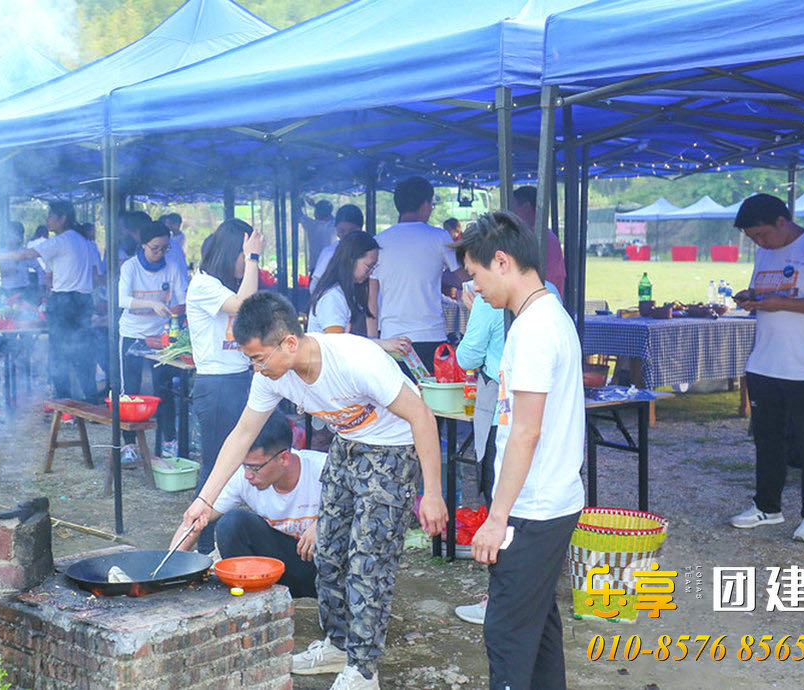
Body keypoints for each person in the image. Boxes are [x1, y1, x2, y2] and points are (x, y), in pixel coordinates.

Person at [178, 291, 445, 690]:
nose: (257, 368)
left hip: (392, 449)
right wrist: (203, 501)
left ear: (289, 342)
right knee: (331, 551)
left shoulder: (357, 360)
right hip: (347, 444)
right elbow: (242, 435)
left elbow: (422, 415)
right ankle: (338, 644)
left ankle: (365, 669)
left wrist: (435, 492)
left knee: (368, 559)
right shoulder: (272, 376)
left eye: (259, 358)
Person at [451, 211, 584, 689]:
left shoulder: (533, 330)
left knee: (507, 633)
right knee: (537, 626)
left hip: (533, 508)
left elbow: (526, 432)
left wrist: (496, 517)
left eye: (475, 275)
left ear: (502, 262)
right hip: (550, 500)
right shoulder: (546, 315)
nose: (474, 288)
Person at [728, 193, 804, 543]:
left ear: (782, 220)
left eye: (762, 234)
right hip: (765, 360)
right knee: (767, 439)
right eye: (752, 239)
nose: (759, 243)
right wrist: (752, 297)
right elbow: (768, 293)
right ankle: (767, 507)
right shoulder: (765, 251)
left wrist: (783, 304)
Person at [170, 414, 322, 598]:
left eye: (255, 468)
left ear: (284, 458)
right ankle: (257, 598)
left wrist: (324, 523)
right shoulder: (244, 476)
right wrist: (169, 566)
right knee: (232, 523)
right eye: (245, 466)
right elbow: (197, 520)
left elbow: (362, 511)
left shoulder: (322, 468)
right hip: (282, 564)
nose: (248, 475)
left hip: (322, 569)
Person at [185, 219, 266, 554]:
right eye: (241, 256)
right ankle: (204, 547)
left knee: (235, 463)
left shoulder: (224, 287)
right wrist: (254, 259)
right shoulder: (203, 285)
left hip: (237, 381)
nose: (244, 263)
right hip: (216, 386)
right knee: (216, 467)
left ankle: (218, 540)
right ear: (232, 253)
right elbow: (246, 306)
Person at [0, 201, 100, 401]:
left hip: (66, 302)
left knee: (59, 355)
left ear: (63, 218)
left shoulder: (61, 241)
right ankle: (91, 399)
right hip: (83, 301)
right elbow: (51, 277)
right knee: (82, 352)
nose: (47, 219)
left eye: (51, 215)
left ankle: (64, 404)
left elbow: (25, 254)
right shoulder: (83, 241)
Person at [368, 177, 460, 372]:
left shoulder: (379, 242)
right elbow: (463, 277)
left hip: (392, 337)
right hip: (431, 335)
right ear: (426, 204)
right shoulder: (440, 237)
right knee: (432, 397)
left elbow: (372, 299)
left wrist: (373, 340)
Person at [118, 221, 189, 463]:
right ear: (143, 245)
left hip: (162, 338)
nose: (160, 253)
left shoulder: (171, 268)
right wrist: (152, 304)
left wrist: (179, 313)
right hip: (132, 334)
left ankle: (169, 441)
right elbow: (123, 300)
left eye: (165, 249)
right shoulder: (130, 267)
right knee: (131, 391)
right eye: (155, 248)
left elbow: (183, 298)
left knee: (164, 390)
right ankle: (129, 445)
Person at [306, 231, 407, 360]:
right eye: (368, 266)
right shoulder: (333, 297)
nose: (370, 273)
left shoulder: (346, 293)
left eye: (373, 267)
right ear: (351, 260)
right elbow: (338, 343)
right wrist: (381, 344)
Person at [509, 186, 566, 291]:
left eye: (513, 207)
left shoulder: (539, 239)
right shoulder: (548, 237)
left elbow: (543, 279)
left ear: (526, 208)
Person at [309, 204, 364, 292]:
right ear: (336, 229)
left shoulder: (369, 252)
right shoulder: (329, 253)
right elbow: (315, 285)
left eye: (352, 231)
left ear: (361, 229)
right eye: (341, 231)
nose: (346, 235)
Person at [0, 221, 42, 302]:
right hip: (5, 291)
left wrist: (41, 284)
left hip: (22, 292)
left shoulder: (25, 253)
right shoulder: (2, 252)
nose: (10, 237)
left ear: (20, 236)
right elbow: (1, 271)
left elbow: (39, 268)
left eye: (14, 233)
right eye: (9, 233)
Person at [299, 199, 335, 277]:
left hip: (316, 265)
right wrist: (316, 206)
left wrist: (298, 202)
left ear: (317, 213)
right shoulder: (333, 225)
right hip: (330, 265)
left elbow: (299, 215)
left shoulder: (313, 225)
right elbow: (332, 216)